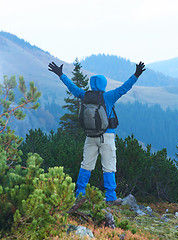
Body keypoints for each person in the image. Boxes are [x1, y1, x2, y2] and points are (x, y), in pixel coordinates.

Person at [48, 61, 145, 205]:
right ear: (104, 84)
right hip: (107, 136)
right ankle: (111, 197)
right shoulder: (109, 96)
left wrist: (61, 74)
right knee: (109, 166)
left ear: (92, 84)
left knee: (86, 165)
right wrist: (136, 74)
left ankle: (80, 194)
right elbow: (125, 88)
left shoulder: (85, 95)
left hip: (90, 137)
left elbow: (72, 88)